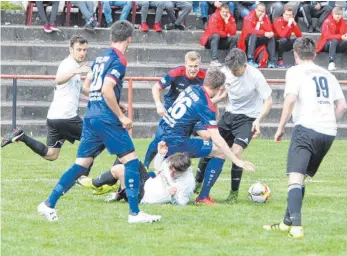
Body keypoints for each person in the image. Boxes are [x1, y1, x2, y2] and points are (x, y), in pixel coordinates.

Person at [37, 20, 161, 224]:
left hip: (91, 116)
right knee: (130, 161)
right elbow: (106, 89)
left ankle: (48, 203)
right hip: (106, 118)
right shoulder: (119, 60)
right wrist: (121, 116)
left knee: (81, 165)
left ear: (111, 37)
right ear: (129, 39)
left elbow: (90, 85)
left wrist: (116, 104)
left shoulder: (100, 57)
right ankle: (135, 213)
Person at [263, 36, 347, 239]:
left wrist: (281, 127)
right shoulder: (328, 73)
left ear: (295, 53)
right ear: (315, 54)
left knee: (294, 177)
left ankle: (297, 227)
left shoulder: (294, 71)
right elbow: (342, 106)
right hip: (327, 133)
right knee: (301, 179)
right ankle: (286, 223)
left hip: (306, 129)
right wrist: (329, 122)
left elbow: (291, 99)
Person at [152, 68, 256, 205]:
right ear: (219, 88)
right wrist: (236, 160)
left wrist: (216, 99)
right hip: (177, 142)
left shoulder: (192, 88)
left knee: (161, 171)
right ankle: (203, 196)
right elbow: (216, 137)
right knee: (219, 152)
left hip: (164, 134)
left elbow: (198, 106)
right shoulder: (206, 105)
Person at [194, 48, 272, 203]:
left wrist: (258, 120)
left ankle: (233, 193)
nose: (233, 73)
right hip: (229, 116)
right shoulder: (225, 72)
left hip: (248, 119)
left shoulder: (255, 75)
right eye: (231, 70)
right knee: (212, 147)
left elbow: (268, 101)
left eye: (236, 70)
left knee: (236, 153)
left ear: (245, 65)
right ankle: (198, 182)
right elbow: (218, 94)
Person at [1, 36, 90, 162]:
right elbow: (58, 79)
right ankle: (82, 175)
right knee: (95, 139)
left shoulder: (74, 66)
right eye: (79, 49)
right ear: (71, 50)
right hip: (66, 117)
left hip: (54, 118)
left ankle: (22, 136)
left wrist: (103, 97)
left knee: (51, 154)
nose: (82, 53)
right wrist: (76, 71)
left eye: (85, 50)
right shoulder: (69, 64)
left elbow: (81, 88)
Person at [143, 51, 209, 168]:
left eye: (196, 66)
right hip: (172, 110)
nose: (193, 69)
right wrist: (159, 104)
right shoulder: (176, 73)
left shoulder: (204, 77)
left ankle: (182, 167)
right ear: (185, 64)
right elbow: (156, 87)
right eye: (190, 66)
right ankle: (146, 165)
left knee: (198, 138)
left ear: (199, 65)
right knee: (160, 137)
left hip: (190, 114)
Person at [80, 141, 195, 206]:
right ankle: (117, 189)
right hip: (147, 181)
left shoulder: (188, 183)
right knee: (126, 155)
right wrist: (160, 154)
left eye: (175, 171)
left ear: (183, 171)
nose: (171, 172)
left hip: (143, 196)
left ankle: (96, 183)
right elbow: (158, 169)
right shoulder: (171, 161)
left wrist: (172, 195)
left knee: (120, 169)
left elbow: (182, 202)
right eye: (170, 168)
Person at [238, 3, 277, 68]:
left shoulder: (265, 17)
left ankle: (271, 61)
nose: (260, 13)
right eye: (259, 11)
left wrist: (261, 22)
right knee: (254, 35)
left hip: (258, 39)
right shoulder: (248, 17)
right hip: (247, 40)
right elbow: (250, 30)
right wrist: (264, 33)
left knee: (271, 37)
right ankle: (250, 59)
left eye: (262, 11)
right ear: (255, 10)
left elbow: (269, 29)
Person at [316, 6, 347, 71]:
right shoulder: (327, 21)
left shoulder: (343, 23)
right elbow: (327, 36)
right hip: (326, 45)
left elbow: (345, 33)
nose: (337, 16)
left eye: (339, 14)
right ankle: (331, 62)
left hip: (338, 44)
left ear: (341, 15)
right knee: (333, 41)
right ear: (332, 14)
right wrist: (340, 36)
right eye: (336, 14)